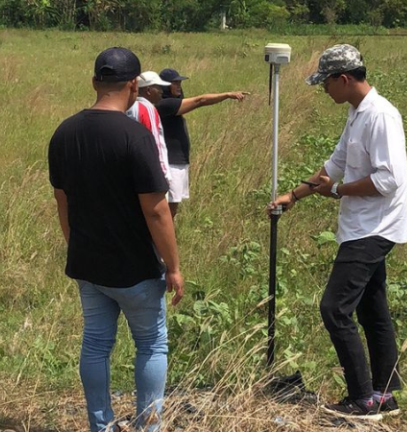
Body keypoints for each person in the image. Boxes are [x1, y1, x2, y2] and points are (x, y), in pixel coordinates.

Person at [269, 44, 407, 420]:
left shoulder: (380, 115)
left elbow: (388, 179)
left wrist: (339, 191)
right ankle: (384, 395)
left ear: (344, 79)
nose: (323, 90)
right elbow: (334, 165)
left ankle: (363, 399)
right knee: (372, 309)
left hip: (374, 228)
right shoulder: (356, 113)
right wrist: (294, 195)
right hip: (363, 225)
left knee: (334, 308)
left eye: (325, 83)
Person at [48, 47, 185, 432]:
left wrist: (75, 243)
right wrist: (173, 267)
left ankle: (100, 425)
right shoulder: (135, 136)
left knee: (95, 344)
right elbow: (156, 210)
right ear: (133, 86)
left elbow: (63, 200)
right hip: (135, 267)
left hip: (88, 264)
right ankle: (148, 425)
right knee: (151, 345)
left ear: (94, 83)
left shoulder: (64, 133)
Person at [154, 68, 248, 218]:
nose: (179, 86)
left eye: (180, 83)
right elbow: (200, 101)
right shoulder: (165, 104)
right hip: (170, 164)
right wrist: (227, 95)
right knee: (168, 210)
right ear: (165, 85)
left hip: (177, 162)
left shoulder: (170, 104)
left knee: (172, 208)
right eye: (175, 83)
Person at [126, 71, 172, 184]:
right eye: (158, 87)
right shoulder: (148, 108)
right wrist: (163, 172)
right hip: (150, 171)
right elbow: (155, 141)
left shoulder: (129, 106)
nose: (161, 91)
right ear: (148, 90)